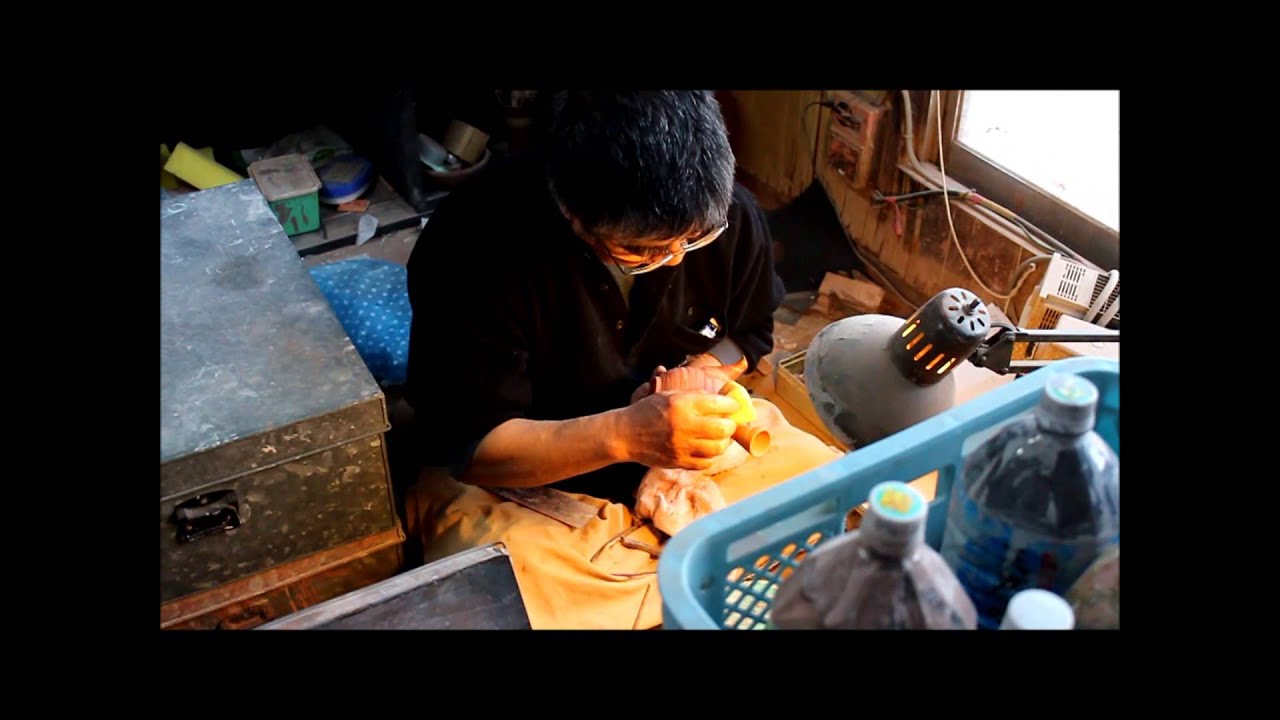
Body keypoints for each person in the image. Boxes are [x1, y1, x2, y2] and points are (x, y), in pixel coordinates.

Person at [402, 91, 841, 629]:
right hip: (527, 477)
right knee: (498, 601)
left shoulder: (726, 217)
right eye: (641, 251)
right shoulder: (474, 246)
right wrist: (627, 436)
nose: (674, 259)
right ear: (572, 212)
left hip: (680, 450)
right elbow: (473, 448)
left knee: (837, 494)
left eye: (693, 240)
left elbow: (747, 338)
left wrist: (701, 374)